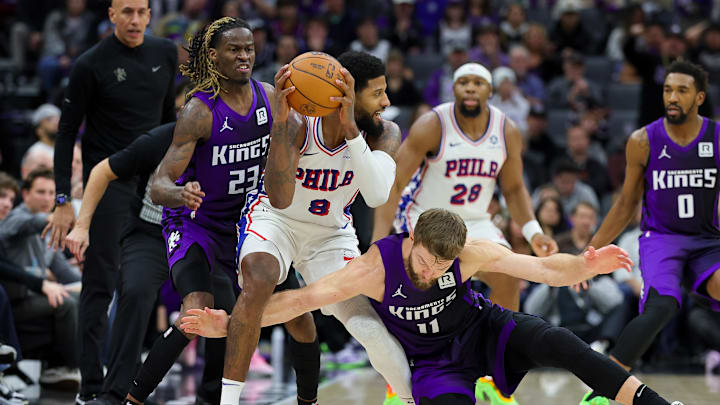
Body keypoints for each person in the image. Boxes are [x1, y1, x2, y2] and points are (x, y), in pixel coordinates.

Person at [181, 208, 682, 405]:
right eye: (424, 262)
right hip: (433, 362)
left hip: (484, 329)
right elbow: (301, 300)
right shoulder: (375, 268)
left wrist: (585, 266)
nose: (430, 273)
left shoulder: (469, 254)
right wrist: (232, 322)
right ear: (412, 239)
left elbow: (545, 270)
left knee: (560, 342)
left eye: (442, 267)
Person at [123, 17, 318, 405]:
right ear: (214, 56)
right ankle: (132, 399)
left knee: (300, 315)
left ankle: (308, 401)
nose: (244, 55)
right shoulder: (199, 111)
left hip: (252, 223)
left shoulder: (269, 97)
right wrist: (181, 194)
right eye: (234, 49)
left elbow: (302, 142)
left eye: (248, 48)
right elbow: (159, 184)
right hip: (199, 223)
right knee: (197, 312)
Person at [222, 50, 413, 405]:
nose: (386, 101)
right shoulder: (297, 123)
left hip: (330, 234)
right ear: (347, 93)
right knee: (260, 278)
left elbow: (374, 195)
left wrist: (352, 130)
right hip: (275, 219)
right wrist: (280, 126)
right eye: (377, 93)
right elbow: (278, 198)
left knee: (367, 327)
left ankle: (410, 400)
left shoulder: (385, 133)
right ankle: (228, 400)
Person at [372, 61, 557, 404]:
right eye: (463, 83)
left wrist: (533, 232)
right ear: (454, 89)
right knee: (418, 293)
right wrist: (380, 237)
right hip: (425, 220)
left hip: (475, 222)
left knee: (507, 277)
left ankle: (491, 377)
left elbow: (514, 189)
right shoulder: (433, 124)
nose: (470, 88)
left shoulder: (507, 130)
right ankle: (397, 381)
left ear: (490, 90)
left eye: (477, 83)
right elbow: (395, 182)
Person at [43, 0, 177, 402]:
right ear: (112, 15)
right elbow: (67, 134)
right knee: (99, 286)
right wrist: (64, 198)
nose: (135, 20)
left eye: (142, 11)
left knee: (139, 287)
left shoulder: (165, 53)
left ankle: (122, 385)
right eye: (127, 12)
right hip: (110, 182)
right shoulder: (90, 64)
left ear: (150, 14)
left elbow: (169, 119)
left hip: (153, 183)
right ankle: (91, 385)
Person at [582, 60, 720, 404]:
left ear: (699, 97)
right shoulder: (643, 140)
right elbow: (626, 202)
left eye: (682, 91)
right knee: (661, 308)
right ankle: (600, 393)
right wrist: (592, 250)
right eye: (667, 90)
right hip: (662, 240)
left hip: (708, 241)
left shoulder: (717, 138)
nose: (672, 97)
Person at [0, 169, 80, 390]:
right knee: (65, 304)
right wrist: (61, 218)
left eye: (51, 193)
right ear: (25, 195)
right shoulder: (16, 218)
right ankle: (65, 366)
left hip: (32, 296)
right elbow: (32, 223)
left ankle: (91, 364)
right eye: (41, 192)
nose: (47, 198)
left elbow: (65, 273)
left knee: (91, 296)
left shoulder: (49, 231)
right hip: (17, 299)